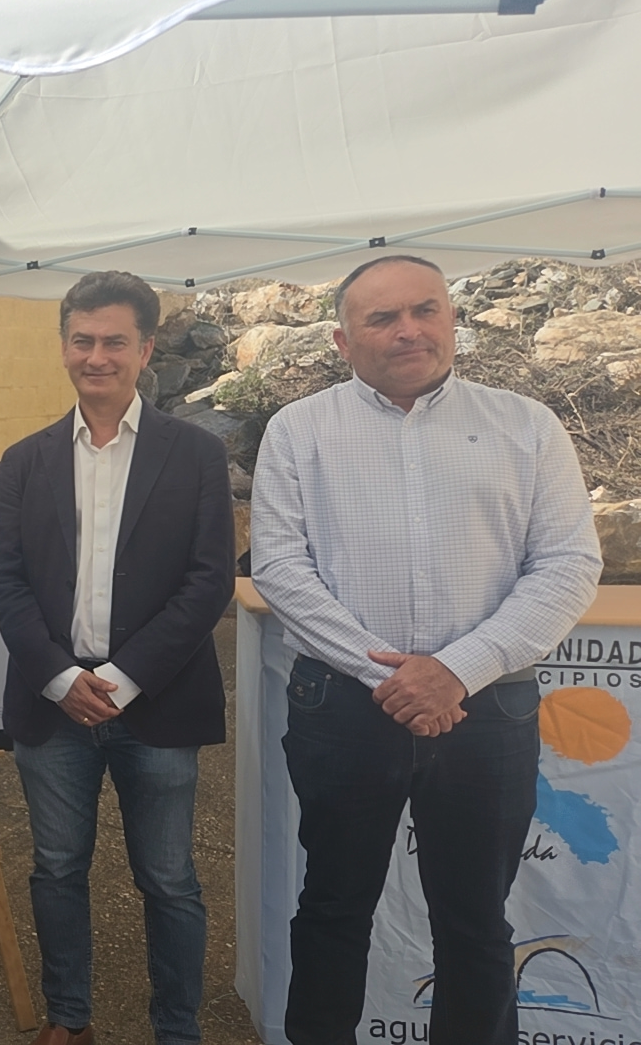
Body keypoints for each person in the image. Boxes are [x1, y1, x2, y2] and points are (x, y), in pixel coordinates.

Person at [250, 255, 602, 1045]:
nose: (408, 330)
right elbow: (279, 567)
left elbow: (568, 565)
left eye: (425, 310)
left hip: (488, 709)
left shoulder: (527, 426)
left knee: (476, 919)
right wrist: (395, 675)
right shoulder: (299, 431)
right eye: (382, 318)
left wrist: (453, 672)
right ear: (343, 341)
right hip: (343, 706)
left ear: (452, 318)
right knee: (333, 907)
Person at [0, 271, 234, 1045]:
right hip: (53, 705)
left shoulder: (196, 454)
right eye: (83, 341)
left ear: (145, 349)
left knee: (169, 879)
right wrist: (62, 678)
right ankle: (69, 1018)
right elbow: (5, 577)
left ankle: (177, 1028)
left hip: (157, 700)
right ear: (64, 347)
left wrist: (123, 680)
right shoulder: (24, 461)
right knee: (57, 868)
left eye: (114, 342)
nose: (97, 357)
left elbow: (209, 580)